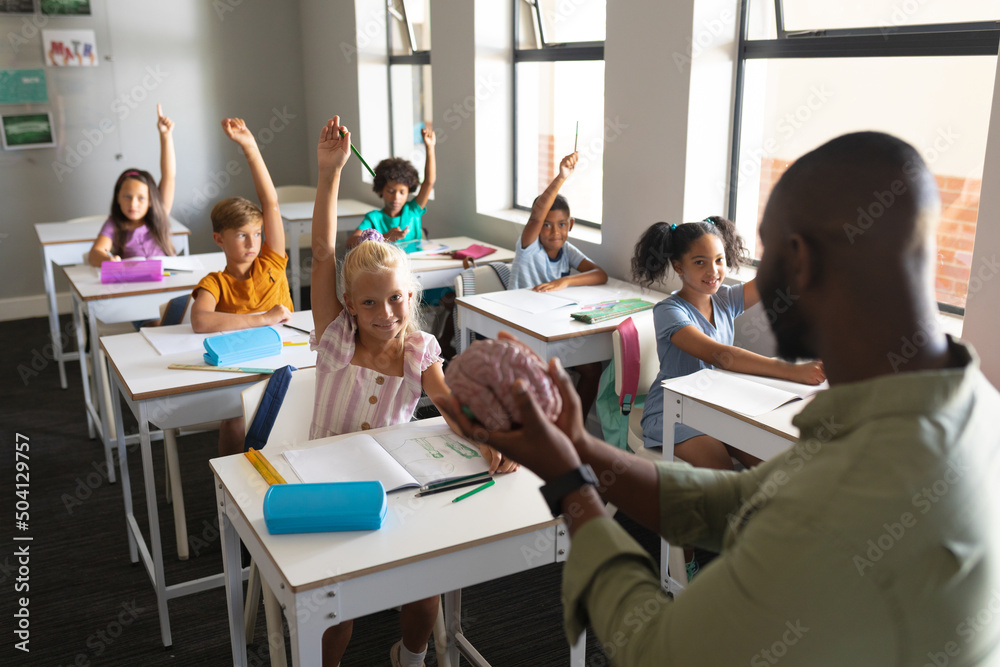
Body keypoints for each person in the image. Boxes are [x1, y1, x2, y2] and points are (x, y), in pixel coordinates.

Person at [437, 132, 1000, 665]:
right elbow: (738, 502)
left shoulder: (859, 490)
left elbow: (656, 651)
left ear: (797, 262)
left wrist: (569, 486)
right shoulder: (967, 404)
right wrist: (578, 446)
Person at [311, 116, 516, 667]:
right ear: (349, 305)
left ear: (413, 294)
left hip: (394, 482)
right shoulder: (336, 338)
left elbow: (448, 403)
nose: (387, 313)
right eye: (371, 302)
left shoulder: (420, 348)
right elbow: (324, 257)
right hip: (327, 483)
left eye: (398, 298)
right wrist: (330, 173)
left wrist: (486, 436)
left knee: (425, 596)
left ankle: (411, 656)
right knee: (338, 606)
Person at [631, 216, 824, 471]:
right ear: (678, 267)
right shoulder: (668, 311)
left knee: (768, 462)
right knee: (722, 469)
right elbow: (722, 355)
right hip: (672, 410)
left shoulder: (724, 300)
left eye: (719, 260)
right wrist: (792, 370)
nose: (713, 272)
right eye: (700, 262)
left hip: (717, 406)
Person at [190, 117, 293, 456]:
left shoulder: (271, 262)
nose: (252, 242)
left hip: (286, 359)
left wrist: (250, 147)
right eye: (240, 235)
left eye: (257, 233)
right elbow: (201, 320)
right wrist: (263, 318)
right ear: (219, 239)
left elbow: (271, 204)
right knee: (235, 417)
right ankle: (229, 483)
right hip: (244, 367)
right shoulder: (215, 282)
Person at [510, 151, 609, 416]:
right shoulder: (529, 248)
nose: (555, 232)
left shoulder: (567, 250)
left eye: (562, 225)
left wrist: (566, 281)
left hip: (552, 327)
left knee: (593, 368)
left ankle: (573, 427)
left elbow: (600, 274)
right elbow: (535, 217)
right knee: (549, 375)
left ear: (571, 225)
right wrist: (561, 177)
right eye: (547, 226)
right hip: (524, 328)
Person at [88, 104, 176, 266]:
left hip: (168, 283)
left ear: (151, 201)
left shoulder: (159, 214)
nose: (133, 204)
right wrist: (108, 260)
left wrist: (165, 136)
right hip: (136, 286)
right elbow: (94, 254)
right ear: (118, 198)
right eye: (127, 197)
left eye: (141, 198)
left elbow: (168, 176)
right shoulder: (114, 224)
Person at [347, 127, 436, 248]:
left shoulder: (413, 211)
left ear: (408, 191)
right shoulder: (374, 218)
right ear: (381, 189)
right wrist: (384, 238)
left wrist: (430, 148)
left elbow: (429, 182)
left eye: (402, 192)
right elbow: (350, 242)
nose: (396, 197)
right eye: (390, 191)